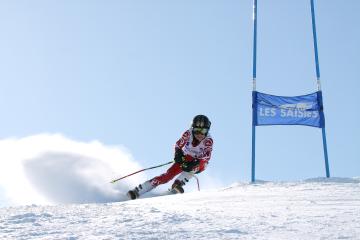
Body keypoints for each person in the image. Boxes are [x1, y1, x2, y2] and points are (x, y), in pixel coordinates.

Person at [127, 114, 214, 200]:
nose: (200, 134)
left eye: (203, 131)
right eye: (197, 130)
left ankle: (178, 183)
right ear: (192, 128)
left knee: (197, 165)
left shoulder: (208, 140)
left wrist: (195, 162)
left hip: (199, 161)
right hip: (185, 157)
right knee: (167, 176)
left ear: (207, 130)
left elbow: (207, 155)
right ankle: (139, 190)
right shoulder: (188, 133)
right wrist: (178, 154)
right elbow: (178, 145)